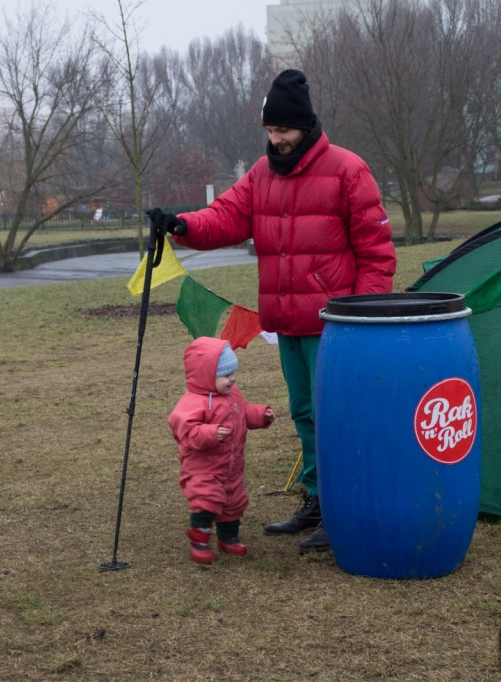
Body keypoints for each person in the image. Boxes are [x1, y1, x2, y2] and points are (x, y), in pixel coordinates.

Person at [149, 69, 396, 553]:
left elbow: (377, 251)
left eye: (282, 130)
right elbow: (223, 217)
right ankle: (318, 500)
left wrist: (364, 315)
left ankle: (344, 507)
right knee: (305, 412)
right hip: (286, 320)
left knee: (337, 415)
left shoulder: (349, 170)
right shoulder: (262, 175)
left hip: (338, 324)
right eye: (269, 131)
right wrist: (180, 223)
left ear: (304, 126)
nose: (275, 139)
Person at [168, 337, 276, 563]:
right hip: (204, 468)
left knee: (234, 502)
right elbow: (183, 429)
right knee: (208, 500)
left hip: (231, 465)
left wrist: (259, 415)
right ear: (207, 376)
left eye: (233, 374)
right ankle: (199, 539)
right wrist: (209, 433)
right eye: (227, 375)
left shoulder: (232, 394)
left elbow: (242, 412)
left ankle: (228, 538)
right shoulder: (193, 402)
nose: (233, 379)